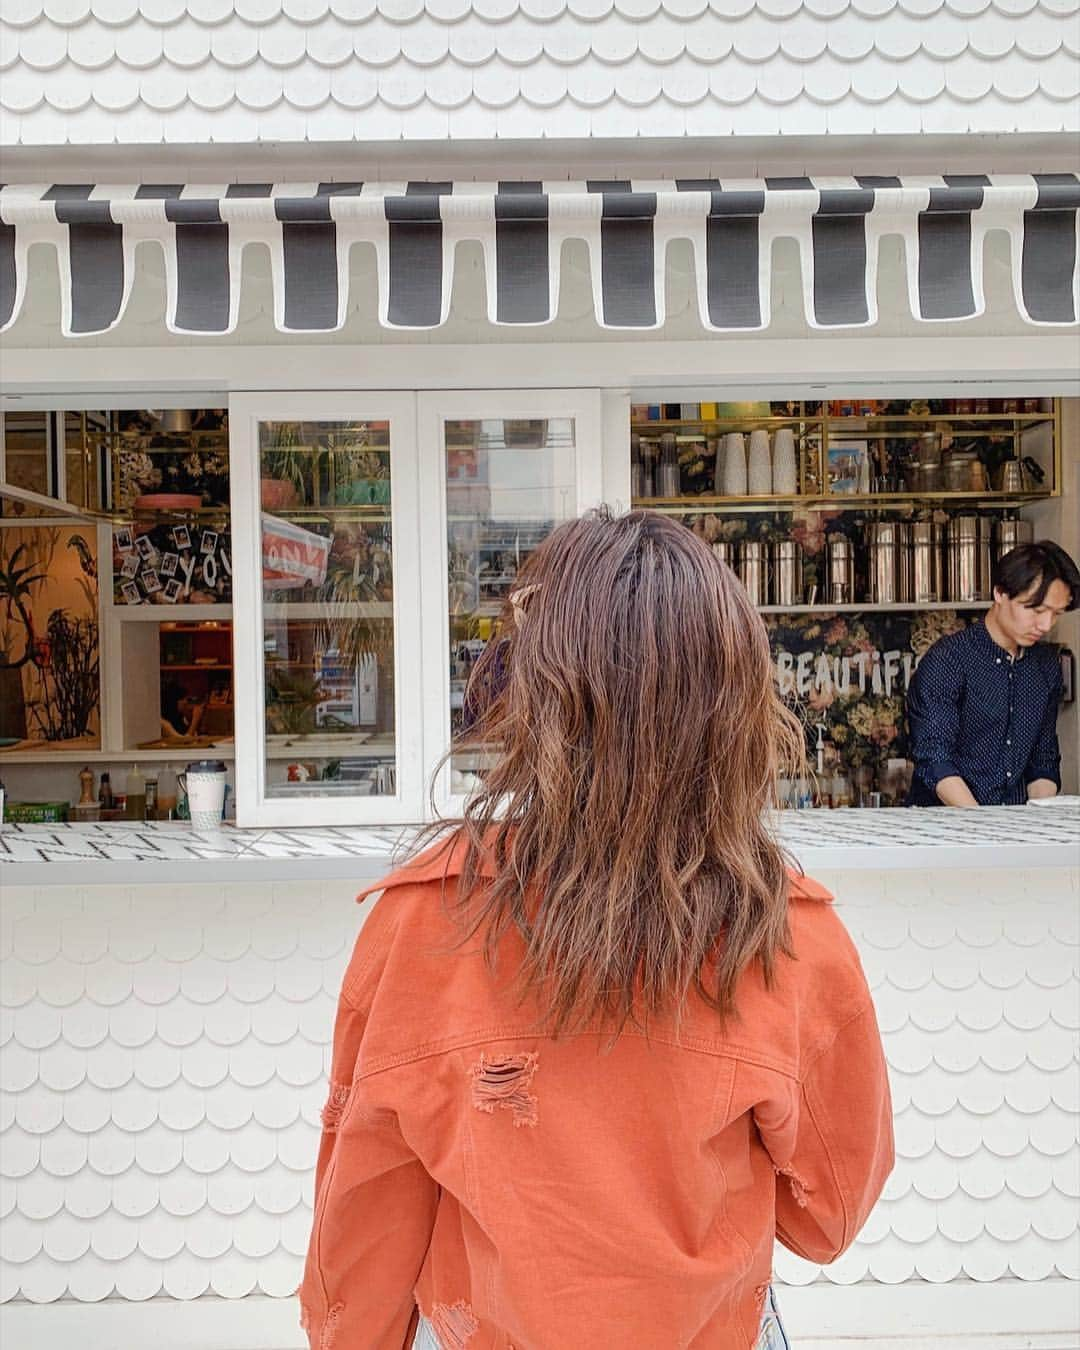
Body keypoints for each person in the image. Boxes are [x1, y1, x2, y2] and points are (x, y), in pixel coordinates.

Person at [300, 509, 893, 1350]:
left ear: (536, 691)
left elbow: (368, 1212)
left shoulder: (424, 919)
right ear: (734, 706)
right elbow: (825, 1217)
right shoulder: (787, 935)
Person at [907, 540, 1079, 807]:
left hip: (1016, 832)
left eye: (1055, 614)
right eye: (1036, 610)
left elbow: (1043, 760)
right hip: (946, 832)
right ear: (1000, 593)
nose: (1045, 625)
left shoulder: (1046, 665)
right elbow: (935, 759)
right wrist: (984, 829)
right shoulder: (948, 660)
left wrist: (1037, 823)